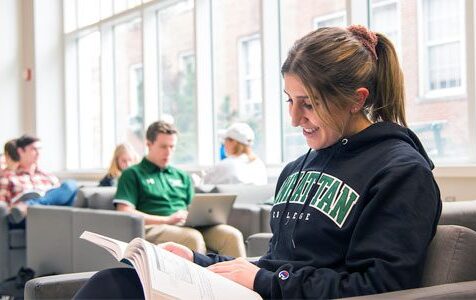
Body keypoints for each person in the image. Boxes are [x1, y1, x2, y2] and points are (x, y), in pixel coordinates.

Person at [74, 25, 442, 299]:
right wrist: (195, 261)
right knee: (117, 282)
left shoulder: (401, 172)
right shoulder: (299, 167)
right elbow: (277, 264)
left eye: (309, 103)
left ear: (356, 99)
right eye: (289, 100)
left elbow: (380, 287)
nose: (295, 119)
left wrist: (262, 281)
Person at [112, 121, 246, 257]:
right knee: (192, 238)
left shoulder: (181, 175)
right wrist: (166, 220)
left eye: (172, 147)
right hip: (153, 227)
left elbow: (192, 207)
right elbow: (125, 211)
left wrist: (201, 218)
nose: (168, 152)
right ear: (149, 144)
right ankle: (200, 279)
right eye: (163, 147)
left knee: (231, 235)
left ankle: (238, 278)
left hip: (186, 225)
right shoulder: (132, 174)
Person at [0, 135, 78, 224]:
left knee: (71, 185)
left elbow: (60, 196)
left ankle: (29, 205)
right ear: (20, 151)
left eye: (40, 149)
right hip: (26, 218)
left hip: (51, 214)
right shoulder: (9, 177)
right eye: (34, 149)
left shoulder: (49, 176)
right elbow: (2, 204)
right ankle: (29, 206)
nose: (38, 153)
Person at [201, 122, 267, 185]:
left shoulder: (226, 165)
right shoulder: (259, 165)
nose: (224, 144)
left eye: (225, 140)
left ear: (234, 142)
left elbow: (205, 186)